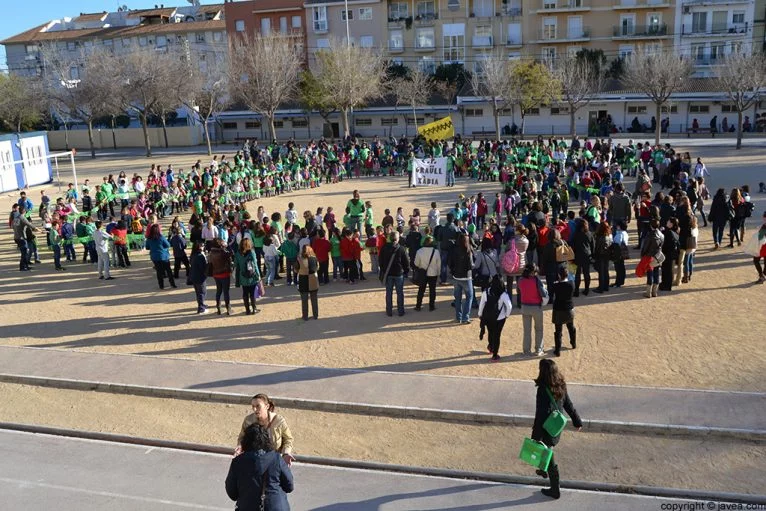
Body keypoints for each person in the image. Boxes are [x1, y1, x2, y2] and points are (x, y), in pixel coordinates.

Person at [532, 359, 583, 500]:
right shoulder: (561, 385)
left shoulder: (542, 389)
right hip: (556, 427)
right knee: (548, 450)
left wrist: (535, 436)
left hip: (546, 428)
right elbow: (569, 405)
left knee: (549, 455)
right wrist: (577, 421)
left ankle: (555, 489)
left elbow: (540, 414)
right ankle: (543, 470)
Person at [226, 424, 294, 511]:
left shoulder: (238, 462)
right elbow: (289, 486)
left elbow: (232, 493)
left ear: (246, 441)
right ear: (267, 440)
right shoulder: (276, 459)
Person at [236, 394, 295, 465]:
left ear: (267, 406)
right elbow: (242, 438)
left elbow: (288, 439)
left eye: (258, 406)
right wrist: (240, 447)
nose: (254, 409)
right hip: (254, 460)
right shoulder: (248, 420)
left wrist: (286, 453)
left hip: (274, 461)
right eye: (253, 406)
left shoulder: (279, 421)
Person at [478, 275, 512, 361]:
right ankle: (495, 354)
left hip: (488, 316)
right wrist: (507, 315)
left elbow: (482, 304)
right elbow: (509, 306)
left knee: (490, 331)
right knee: (497, 335)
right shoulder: (503, 293)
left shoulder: (486, 292)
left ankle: (491, 347)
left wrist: (480, 314)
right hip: (499, 318)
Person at [518, 263, 547, 356]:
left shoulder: (520, 280)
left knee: (527, 331)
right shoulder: (536, 280)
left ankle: (526, 351)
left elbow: (520, 290)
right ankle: (539, 349)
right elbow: (544, 294)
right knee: (539, 329)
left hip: (525, 307)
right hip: (536, 307)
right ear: (532, 272)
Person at [378, 231, 410, 317]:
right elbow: (406, 263)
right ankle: (401, 311)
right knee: (400, 293)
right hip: (398, 273)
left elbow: (380, 261)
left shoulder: (384, 248)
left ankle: (389, 311)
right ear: (398, 238)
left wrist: (384, 270)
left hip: (388, 274)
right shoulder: (402, 249)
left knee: (389, 293)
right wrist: (406, 271)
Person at [449, 234, 475, 324]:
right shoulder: (469, 250)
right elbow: (471, 265)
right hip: (466, 277)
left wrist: (453, 271)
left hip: (456, 277)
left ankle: (458, 317)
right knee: (469, 297)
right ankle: (465, 317)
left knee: (458, 298)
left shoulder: (454, 250)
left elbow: (450, 263)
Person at [551, 266, 576, 357]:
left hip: (558, 310)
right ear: (567, 275)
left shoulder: (556, 285)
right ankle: (573, 343)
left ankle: (557, 350)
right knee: (571, 327)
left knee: (558, 331)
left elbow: (551, 292)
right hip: (569, 309)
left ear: (558, 275)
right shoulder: (571, 284)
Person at [413, 236, 441, 311]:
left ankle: (418, 305)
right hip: (433, 273)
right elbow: (439, 264)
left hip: (423, 273)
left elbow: (416, 263)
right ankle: (431, 306)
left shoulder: (419, 251)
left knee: (421, 290)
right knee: (432, 290)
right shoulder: (436, 252)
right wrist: (438, 273)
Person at [235, 237, 261, 315]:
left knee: (245, 293)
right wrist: (258, 275)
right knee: (252, 293)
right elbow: (255, 265)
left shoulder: (238, 253)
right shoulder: (251, 253)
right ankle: (254, 308)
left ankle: (247, 310)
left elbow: (236, 265)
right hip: (251, 275)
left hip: (243, 276)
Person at [209, 238, 233, 315]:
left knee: (219, 290)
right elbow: (231, 253)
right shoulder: (222, 252)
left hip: (216, 273)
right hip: (224, 273)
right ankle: (228, 308)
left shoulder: (211, 253)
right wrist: (227, 246)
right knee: (226, 292)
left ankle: (219, 307)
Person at [145, 224, 174, 289]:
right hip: (163, 256)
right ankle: (172, 283)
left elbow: (147, 247)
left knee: (159, 271)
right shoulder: (161, 237)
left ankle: (161, 285)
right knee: (168, 270)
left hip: (154, 257)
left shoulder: (149, 238)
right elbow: (168, 245)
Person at [641, 219, 664, 298]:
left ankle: (648, 292)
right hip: (658, 256)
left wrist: (643, 254)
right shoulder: (661, 234)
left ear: (651, 226)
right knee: (657, 273)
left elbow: (645, 246)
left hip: (649, 256)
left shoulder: (649, 235)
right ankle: (655, 292)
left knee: (650, 274)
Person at [296, 245, 320, 321]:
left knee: (304, 300)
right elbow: (317, 268)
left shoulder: (299, 259)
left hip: (303, 280)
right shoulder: (314, 258)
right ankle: (315, 315)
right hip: (313, 280)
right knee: (314, 299)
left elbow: (296, 270)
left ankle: (305, 316)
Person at [572, 220, 594, 297]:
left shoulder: (576, 234)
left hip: (577, 256)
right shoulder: (590, 234)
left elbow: (573, 246)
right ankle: (587, 289)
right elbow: (592, 246)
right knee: (586, 273)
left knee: (577, 274)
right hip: (587, 255)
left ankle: (577, 290)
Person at [592, 222, 613, 293]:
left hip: (600, 255)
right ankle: (606, 286)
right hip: (607, 255)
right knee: (606, 271)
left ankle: (601, 288)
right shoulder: (609, 236)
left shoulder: (598, 237)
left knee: (601, 272)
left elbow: (596, 247)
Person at [189, 241, 209, 314]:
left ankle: (202, 304)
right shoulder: (199, 256)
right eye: (201, 246)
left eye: (203, 245)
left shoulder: (193, 254)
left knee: (198, 292)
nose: (203, 247)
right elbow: (202, 267)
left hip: (194, 276)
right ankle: (201, 308)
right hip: (200, 277)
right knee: (202, 292)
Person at [749, 212, 766, 284]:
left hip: (763, 246)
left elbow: (760, 237)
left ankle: (762, 276)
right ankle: (763, 275)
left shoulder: (764, 226)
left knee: (756, 260)